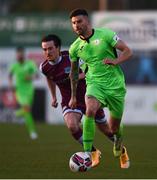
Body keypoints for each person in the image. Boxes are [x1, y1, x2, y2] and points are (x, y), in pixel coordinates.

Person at [68, 9, 132, 169]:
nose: (76, 25)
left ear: (87, 22)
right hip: (94, 85)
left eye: (79, 22)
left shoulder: (106, 34)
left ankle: (118, 143)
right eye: (74, 23)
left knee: (114, 128)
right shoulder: (74, 48)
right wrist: (74, 96)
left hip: (115, 87)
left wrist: (116, 61)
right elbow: (74, 74)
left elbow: (128, 51)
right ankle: (87, 153)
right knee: (90, 110)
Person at [40, 34, 116, 167]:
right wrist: (53, 97)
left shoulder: (71, 57)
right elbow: (49, 77)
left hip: (90, 97)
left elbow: (92, 68)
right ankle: (93, 152)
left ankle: (118, 144)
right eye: (45, 49)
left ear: (58, 48)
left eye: (50, 48)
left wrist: (77, 76)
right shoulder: (44, 67)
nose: (47, 52)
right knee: (72, 125)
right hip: (70, 101)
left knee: (105, 130)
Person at [8, 46, 38, 140]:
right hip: (19, 91)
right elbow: (10, 75)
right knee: (27, 109)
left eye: (21, 53)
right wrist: (11, 85)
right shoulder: (14, 65)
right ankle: (32, 132)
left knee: (27, 111)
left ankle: (15, 114)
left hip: (29, 91)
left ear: (23, 54)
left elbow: (37, 75)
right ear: (16, 55)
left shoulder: (30, 64)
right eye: (18, 54)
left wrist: (31, 77)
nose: (19, 55)